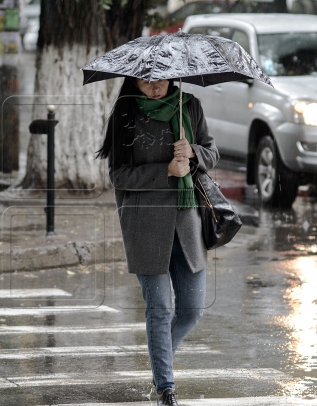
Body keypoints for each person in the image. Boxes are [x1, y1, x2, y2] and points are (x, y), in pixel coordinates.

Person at [97, 78, 219, 406]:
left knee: (192, 309)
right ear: (134, 81)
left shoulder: (189, 106)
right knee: (160, 308)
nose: (155, 86)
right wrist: (166, 170)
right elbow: (119, 176)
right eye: (147, 80)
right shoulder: (126, 113)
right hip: (145, 222)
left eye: (162, 79)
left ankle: (158, 361)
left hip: (187, 220)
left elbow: (213, 151)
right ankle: (166, 388)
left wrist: (194, 152)